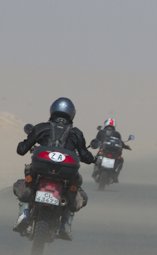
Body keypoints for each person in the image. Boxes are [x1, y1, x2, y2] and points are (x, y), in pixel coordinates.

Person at [13, 97, 95, 240]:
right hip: (66, 173)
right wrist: (91, 158)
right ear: (72, 114)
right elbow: (84, 155)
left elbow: (21, 149)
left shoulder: (42, 127)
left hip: (40, 168)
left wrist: (26, 142)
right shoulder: (76, 133)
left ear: (52, 110)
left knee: (27, 180)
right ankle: (65, 225)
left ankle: (24, 214)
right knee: (76, 186)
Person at [92, 118, 131, 183]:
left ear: (105, 124)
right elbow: (121, 142)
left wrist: (93, 144)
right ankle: (115, 175)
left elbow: (96, 140)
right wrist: (126, 146)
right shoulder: (117, 133)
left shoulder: (101, 132)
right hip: (113, 153)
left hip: (104, 152)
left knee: (97, 156)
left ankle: (95, 171)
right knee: (120, 160)